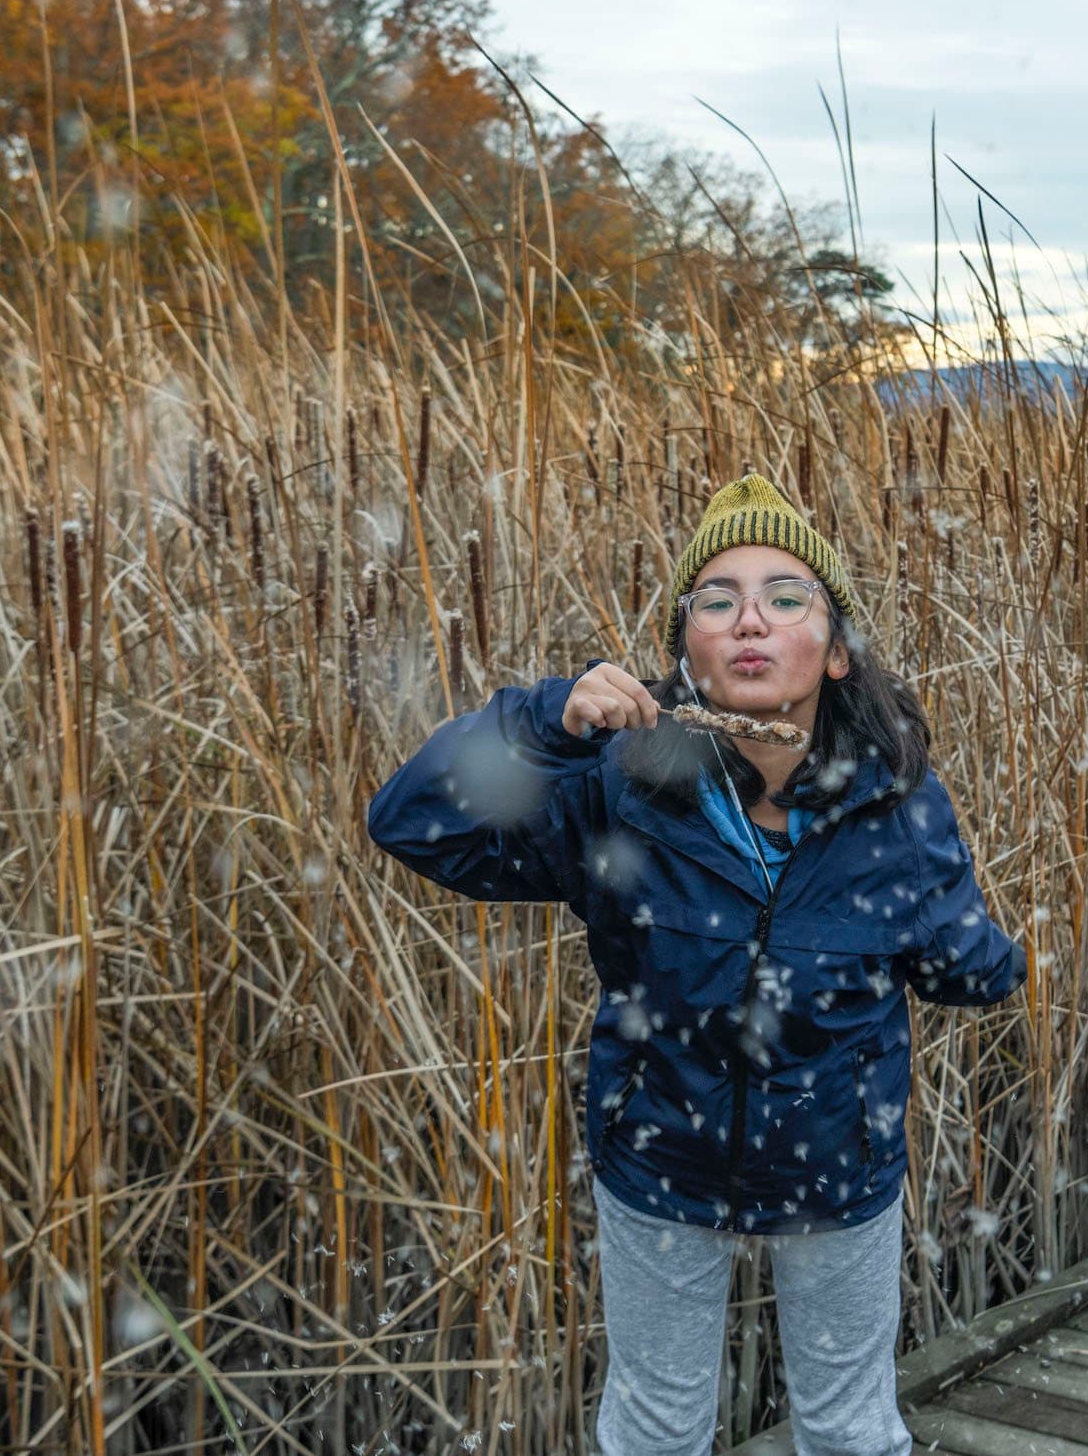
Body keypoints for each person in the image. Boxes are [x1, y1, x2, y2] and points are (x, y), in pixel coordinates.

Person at [366, 472, 1027, 1456]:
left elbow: (964, 967)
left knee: (850, 1427)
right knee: (655, 1426)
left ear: (836, 651)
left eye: (785, 596)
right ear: (684, 650)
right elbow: (411, 822)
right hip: (661, 1157)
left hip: (836, 1164)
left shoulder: (897, 805)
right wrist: (544, 717)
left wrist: (988, 954)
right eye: (715, 600)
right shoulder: (619, 792)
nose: (748, 617)